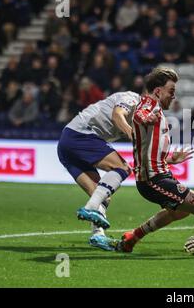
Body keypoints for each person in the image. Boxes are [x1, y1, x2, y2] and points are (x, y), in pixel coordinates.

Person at [117, 67, 194, 258]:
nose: (173, 96)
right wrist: (145, 117)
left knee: (178, 211)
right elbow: (139, 115)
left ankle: (132, 237)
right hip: (153, 180)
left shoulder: (155, 108)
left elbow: (145, 148)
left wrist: (169, 159)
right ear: (158, 91)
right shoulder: (148, 106)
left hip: (159, 175)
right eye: (171, 92)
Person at [57, 89, 141, 250]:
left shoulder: (142, 119)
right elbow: (117, 115)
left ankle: (97, 235)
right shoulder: (132, 99)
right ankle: (88, 209)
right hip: (80, 135)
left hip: (66, 144)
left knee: (102, 196)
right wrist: (133, 135)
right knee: (122, 167)